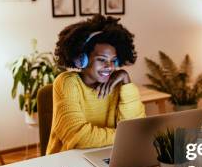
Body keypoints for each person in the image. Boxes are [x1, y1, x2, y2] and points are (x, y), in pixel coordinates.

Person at [47, 14, 145, 154]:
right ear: (81, 60)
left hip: (108, 157)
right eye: (101, 59)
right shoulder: (67, 83)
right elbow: (78, 137)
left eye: (113, 60)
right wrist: (125, 136)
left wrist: (126, 81)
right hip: (67, 162)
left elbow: (136, 128)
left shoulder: (118, 85)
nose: (110, 66)